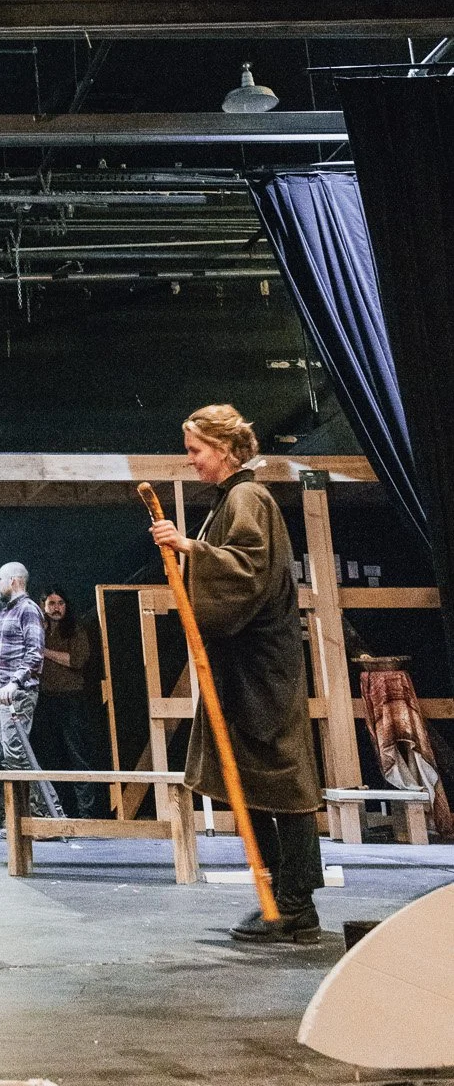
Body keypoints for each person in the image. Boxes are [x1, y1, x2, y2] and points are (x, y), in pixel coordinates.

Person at [148, 403, 324, 946]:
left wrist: (189, 547)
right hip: (245, 663)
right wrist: (193, 548)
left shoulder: (248, 497)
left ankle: (295, 904)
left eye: (196, 450)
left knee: (281, 776)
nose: (191, 460)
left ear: (224, 449)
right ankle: (280, 898)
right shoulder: (231, 499)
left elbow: (247, 569)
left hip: (261, 666)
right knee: (254, 778)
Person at [34, 587, 96, 819]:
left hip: (71, 699)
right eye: (51, 603)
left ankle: (86, 814)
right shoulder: (37, 629)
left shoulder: (75, 628)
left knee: (78, 756)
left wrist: (44, 652)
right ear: (43, 605)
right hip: (43, 699)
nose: (56, 608)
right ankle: (56, 812)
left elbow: (77, 660)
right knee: (49, 757)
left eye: (60, 603)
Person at [0, 561, 45, 775]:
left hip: (17, 692)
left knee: (17, 754)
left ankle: (44, 798)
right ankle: (35, 796)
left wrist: (14, 682)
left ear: (13, 581)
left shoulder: (28, 609)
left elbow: (35, 653)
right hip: (0, 692)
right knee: (10, 755)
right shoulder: (4, 614)